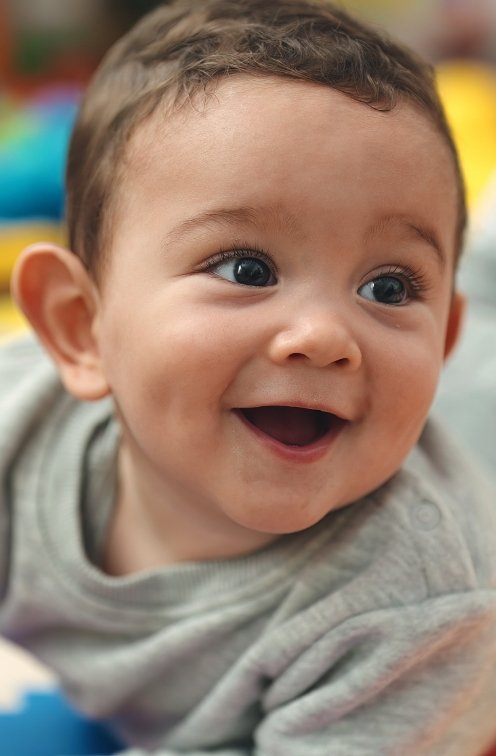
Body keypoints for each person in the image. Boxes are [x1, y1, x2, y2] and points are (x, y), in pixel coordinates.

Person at [1, 0, 496, 753]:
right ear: (79, 327)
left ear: (442, 340)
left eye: (390, 287)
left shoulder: (415, 604)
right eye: (246, 269)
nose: (327, 337)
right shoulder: (15, 420)